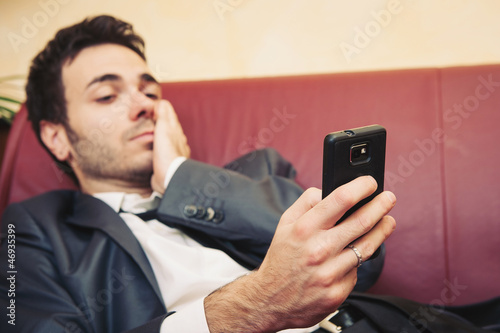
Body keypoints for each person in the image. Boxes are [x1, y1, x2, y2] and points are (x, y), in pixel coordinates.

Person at [0, 15, 398, 332]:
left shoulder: (255, 172)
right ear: (57, 138)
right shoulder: (32, 229)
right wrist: (249, 309)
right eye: (107, 96)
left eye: (150, 92)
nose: (143, 106)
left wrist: (177, 176)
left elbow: (364, 262)